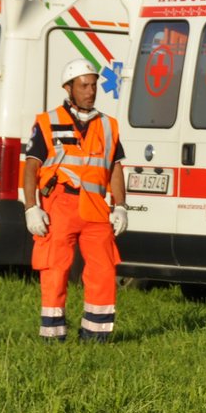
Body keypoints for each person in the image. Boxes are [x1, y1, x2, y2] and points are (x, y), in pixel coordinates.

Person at [22, 58, 128, 342]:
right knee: (55, 269)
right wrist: (31, 208)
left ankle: (96, 336)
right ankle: (53, 336)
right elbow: (31, 167)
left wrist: (120, 205)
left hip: (95, 208)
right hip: (59, 205)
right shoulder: (47, 122)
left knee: (104, 269)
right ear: (69, 88)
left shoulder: (109, 125)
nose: (90, 91)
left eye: (93, 85)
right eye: (84, 86)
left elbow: (115, 167)